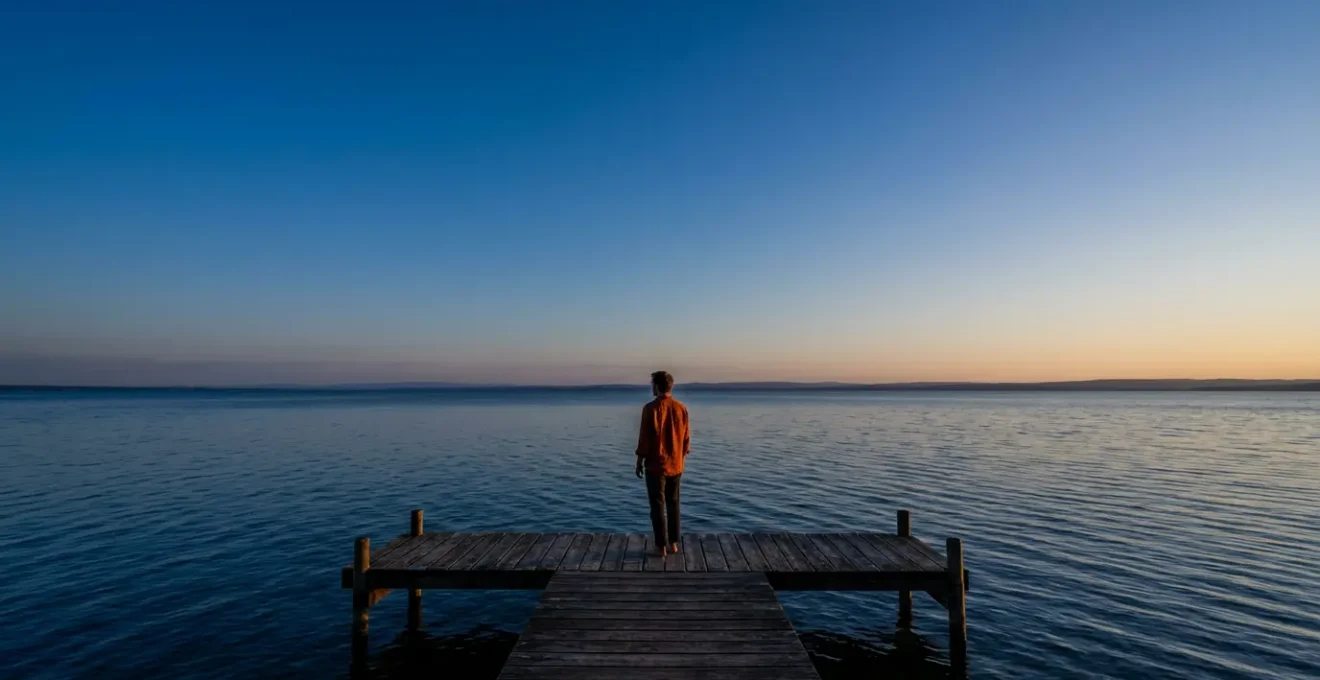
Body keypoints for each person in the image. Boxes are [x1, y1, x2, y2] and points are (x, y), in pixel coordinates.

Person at [634, 370, 690, 556]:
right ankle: (673, 543)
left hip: (656, 465)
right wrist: (680, 458)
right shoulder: (681, 408)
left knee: (657, 506)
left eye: (652, 384)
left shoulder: (650, 409)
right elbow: (686, 439)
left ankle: (660, 546)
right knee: (674, 505)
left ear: (657, 386)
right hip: (676, 464)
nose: (651, 386)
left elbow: (644, 439)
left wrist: (639, 461)